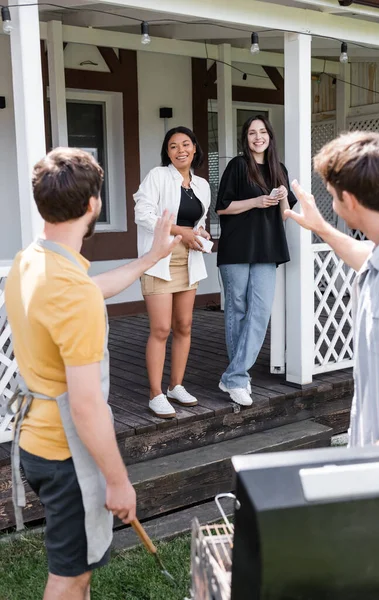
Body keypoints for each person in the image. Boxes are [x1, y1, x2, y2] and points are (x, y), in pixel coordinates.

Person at [5, 147, 180, 600]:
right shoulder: (70, 290)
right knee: (71, 577)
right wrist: (118, 482)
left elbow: (88, 291)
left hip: (34, 445)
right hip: (67, 456)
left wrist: (149, 259)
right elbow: (85, 405)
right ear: (93, 205)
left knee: (75, 571)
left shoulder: (29, 262)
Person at [285, 131, 379, 447]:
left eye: (333, 196)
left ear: (348, 199)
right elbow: (363, 257)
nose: (333, 205)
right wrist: (320, 227)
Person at [215, 115, 297, 407]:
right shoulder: (238, 166)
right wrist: (256, 202)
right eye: (252, 133)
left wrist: (284, 196)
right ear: (245, 138)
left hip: (267, 248)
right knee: (237, 309)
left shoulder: (279, 169)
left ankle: (234, 375)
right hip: (236, 249)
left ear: (270, 136)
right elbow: (222, 208)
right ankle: (238, 378)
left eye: (262, 132)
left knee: (260, 312)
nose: (258, 137)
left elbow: (286, 214)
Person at [134, 126, 211, 419]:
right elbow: (143, 214)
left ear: (194, 149)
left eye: (186, 144)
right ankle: (155, 393)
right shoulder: (157, 176)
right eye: (174, 146)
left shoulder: (202, 184)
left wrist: (199, 232)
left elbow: (199, 220)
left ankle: (175, 385)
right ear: (168, 152)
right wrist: (181, 231)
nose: (180, 150)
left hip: (189, 257)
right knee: (161, 328)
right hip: (159, 258)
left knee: (184, 325)